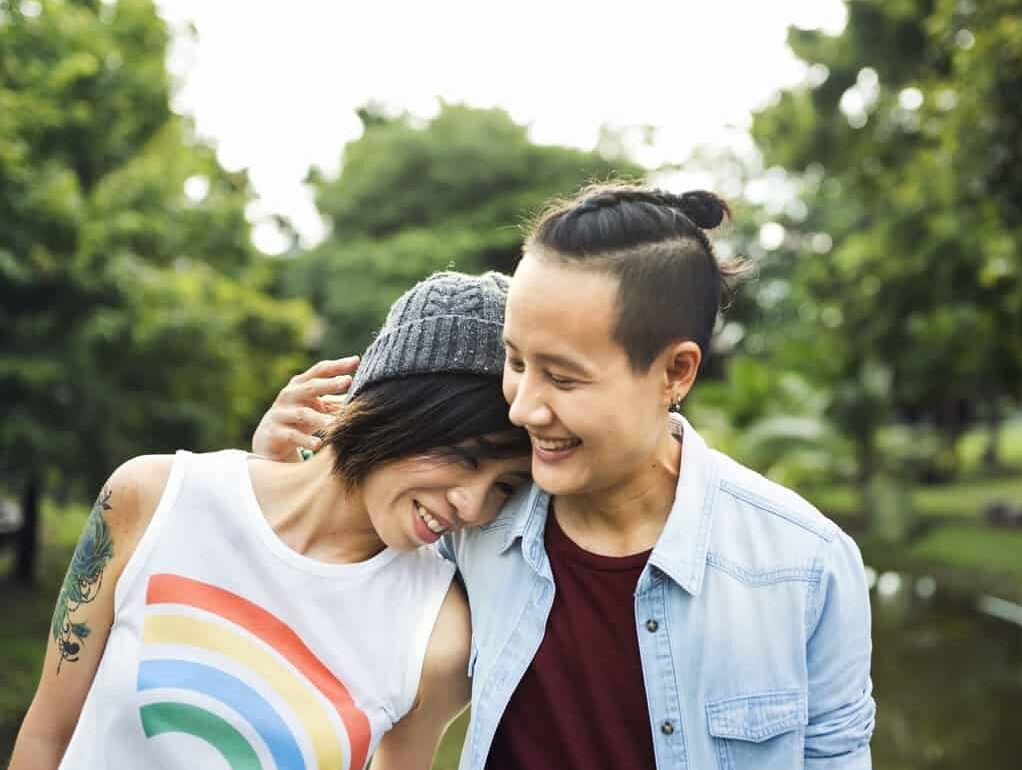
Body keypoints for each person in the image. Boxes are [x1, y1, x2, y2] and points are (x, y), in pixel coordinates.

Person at [258, 182, 876, 770]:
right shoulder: (472, 523)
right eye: (515, 361)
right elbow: (321, 588)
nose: (523, 407)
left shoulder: (807, 567)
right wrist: (277, 475)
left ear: (675, 373)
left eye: (562, 377)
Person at [9, 272, 533, 770]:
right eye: (467, 457)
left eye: (505, 487)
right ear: (399, 406)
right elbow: (46, 735)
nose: (473, 506)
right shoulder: (152, 497)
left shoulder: (437, 633)